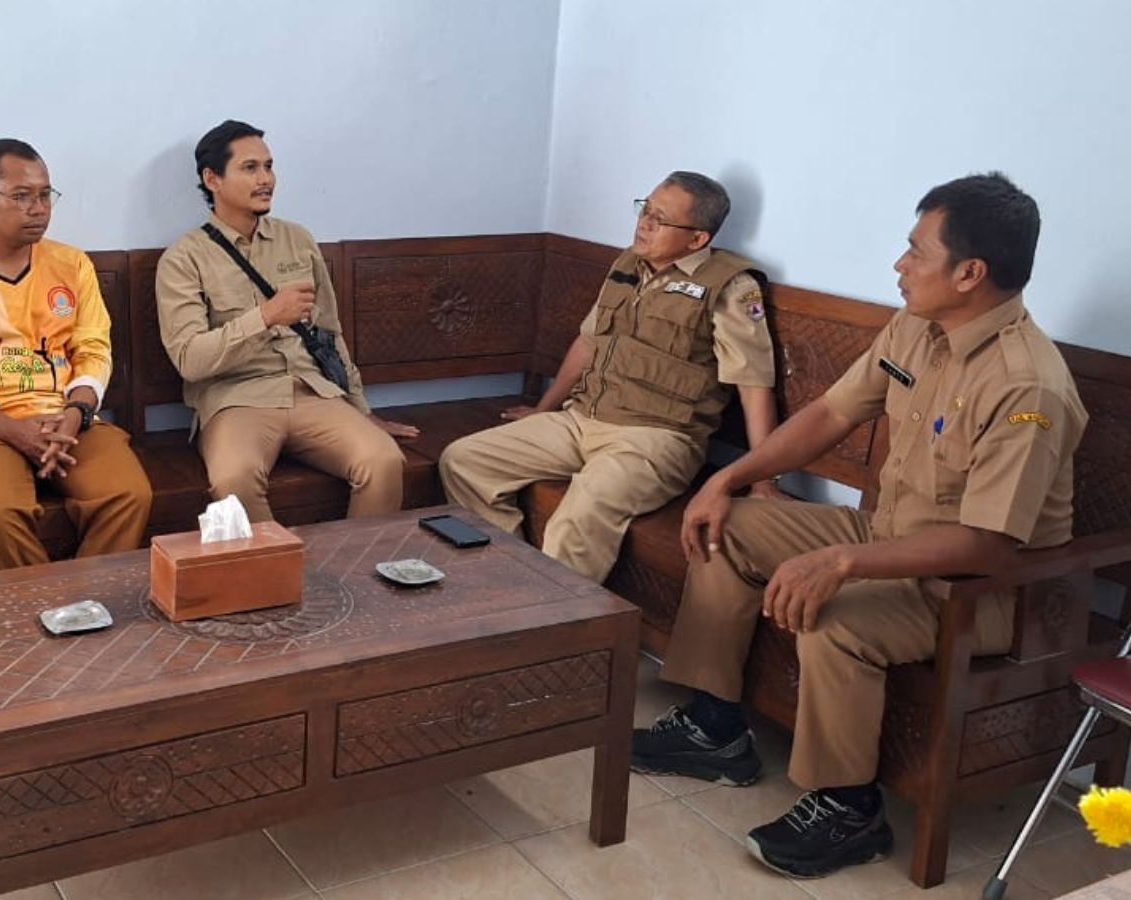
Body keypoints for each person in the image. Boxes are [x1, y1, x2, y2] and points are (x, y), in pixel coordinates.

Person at [634, 173, 1084, 878]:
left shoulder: (1026, 386)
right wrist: (727, 479)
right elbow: (833, 414)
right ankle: (715, 728)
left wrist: (840, 564)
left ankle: (849, 809)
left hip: (976, 591)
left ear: (969, 273)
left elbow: (990, 544)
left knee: (837, 614)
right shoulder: (920, 326)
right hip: (887, 535)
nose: (900, 264)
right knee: (730, 526)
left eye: (916, 251)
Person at [439, 172, 780, 581]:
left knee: (582, 510)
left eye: (660, 219)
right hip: (582, 418)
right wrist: (543, 409)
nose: (644, 223)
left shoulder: (729, 286)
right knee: (465, 461)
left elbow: (753, 384)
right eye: (645, 209)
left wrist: (763, 480)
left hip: (656, 438)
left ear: (697, 239)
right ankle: (510, 581)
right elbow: (588, 343)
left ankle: (555, 615)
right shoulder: (627, 265)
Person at [0, 139, 152, 570]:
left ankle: (81, 601)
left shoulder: (72, 264)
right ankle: (44, 607)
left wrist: (76, 413)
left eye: (45, 195)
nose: (38, 209)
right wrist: (13, 431)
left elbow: (94, 349)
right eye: (21, 196)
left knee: (128, 495)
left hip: (65, 419)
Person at [155, 120, 417, 523]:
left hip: (312, 393)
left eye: (269, 166)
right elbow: (190, 359)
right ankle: (278, 565)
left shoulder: (297, 240)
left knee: (383, 459)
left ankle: (352, 564)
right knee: (233, 480)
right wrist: (265, 317)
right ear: (212, 179)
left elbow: (330, 333)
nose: (266, 179)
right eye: (250, 168)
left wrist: (361, 409)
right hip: (237, 401)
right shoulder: (184, 258)